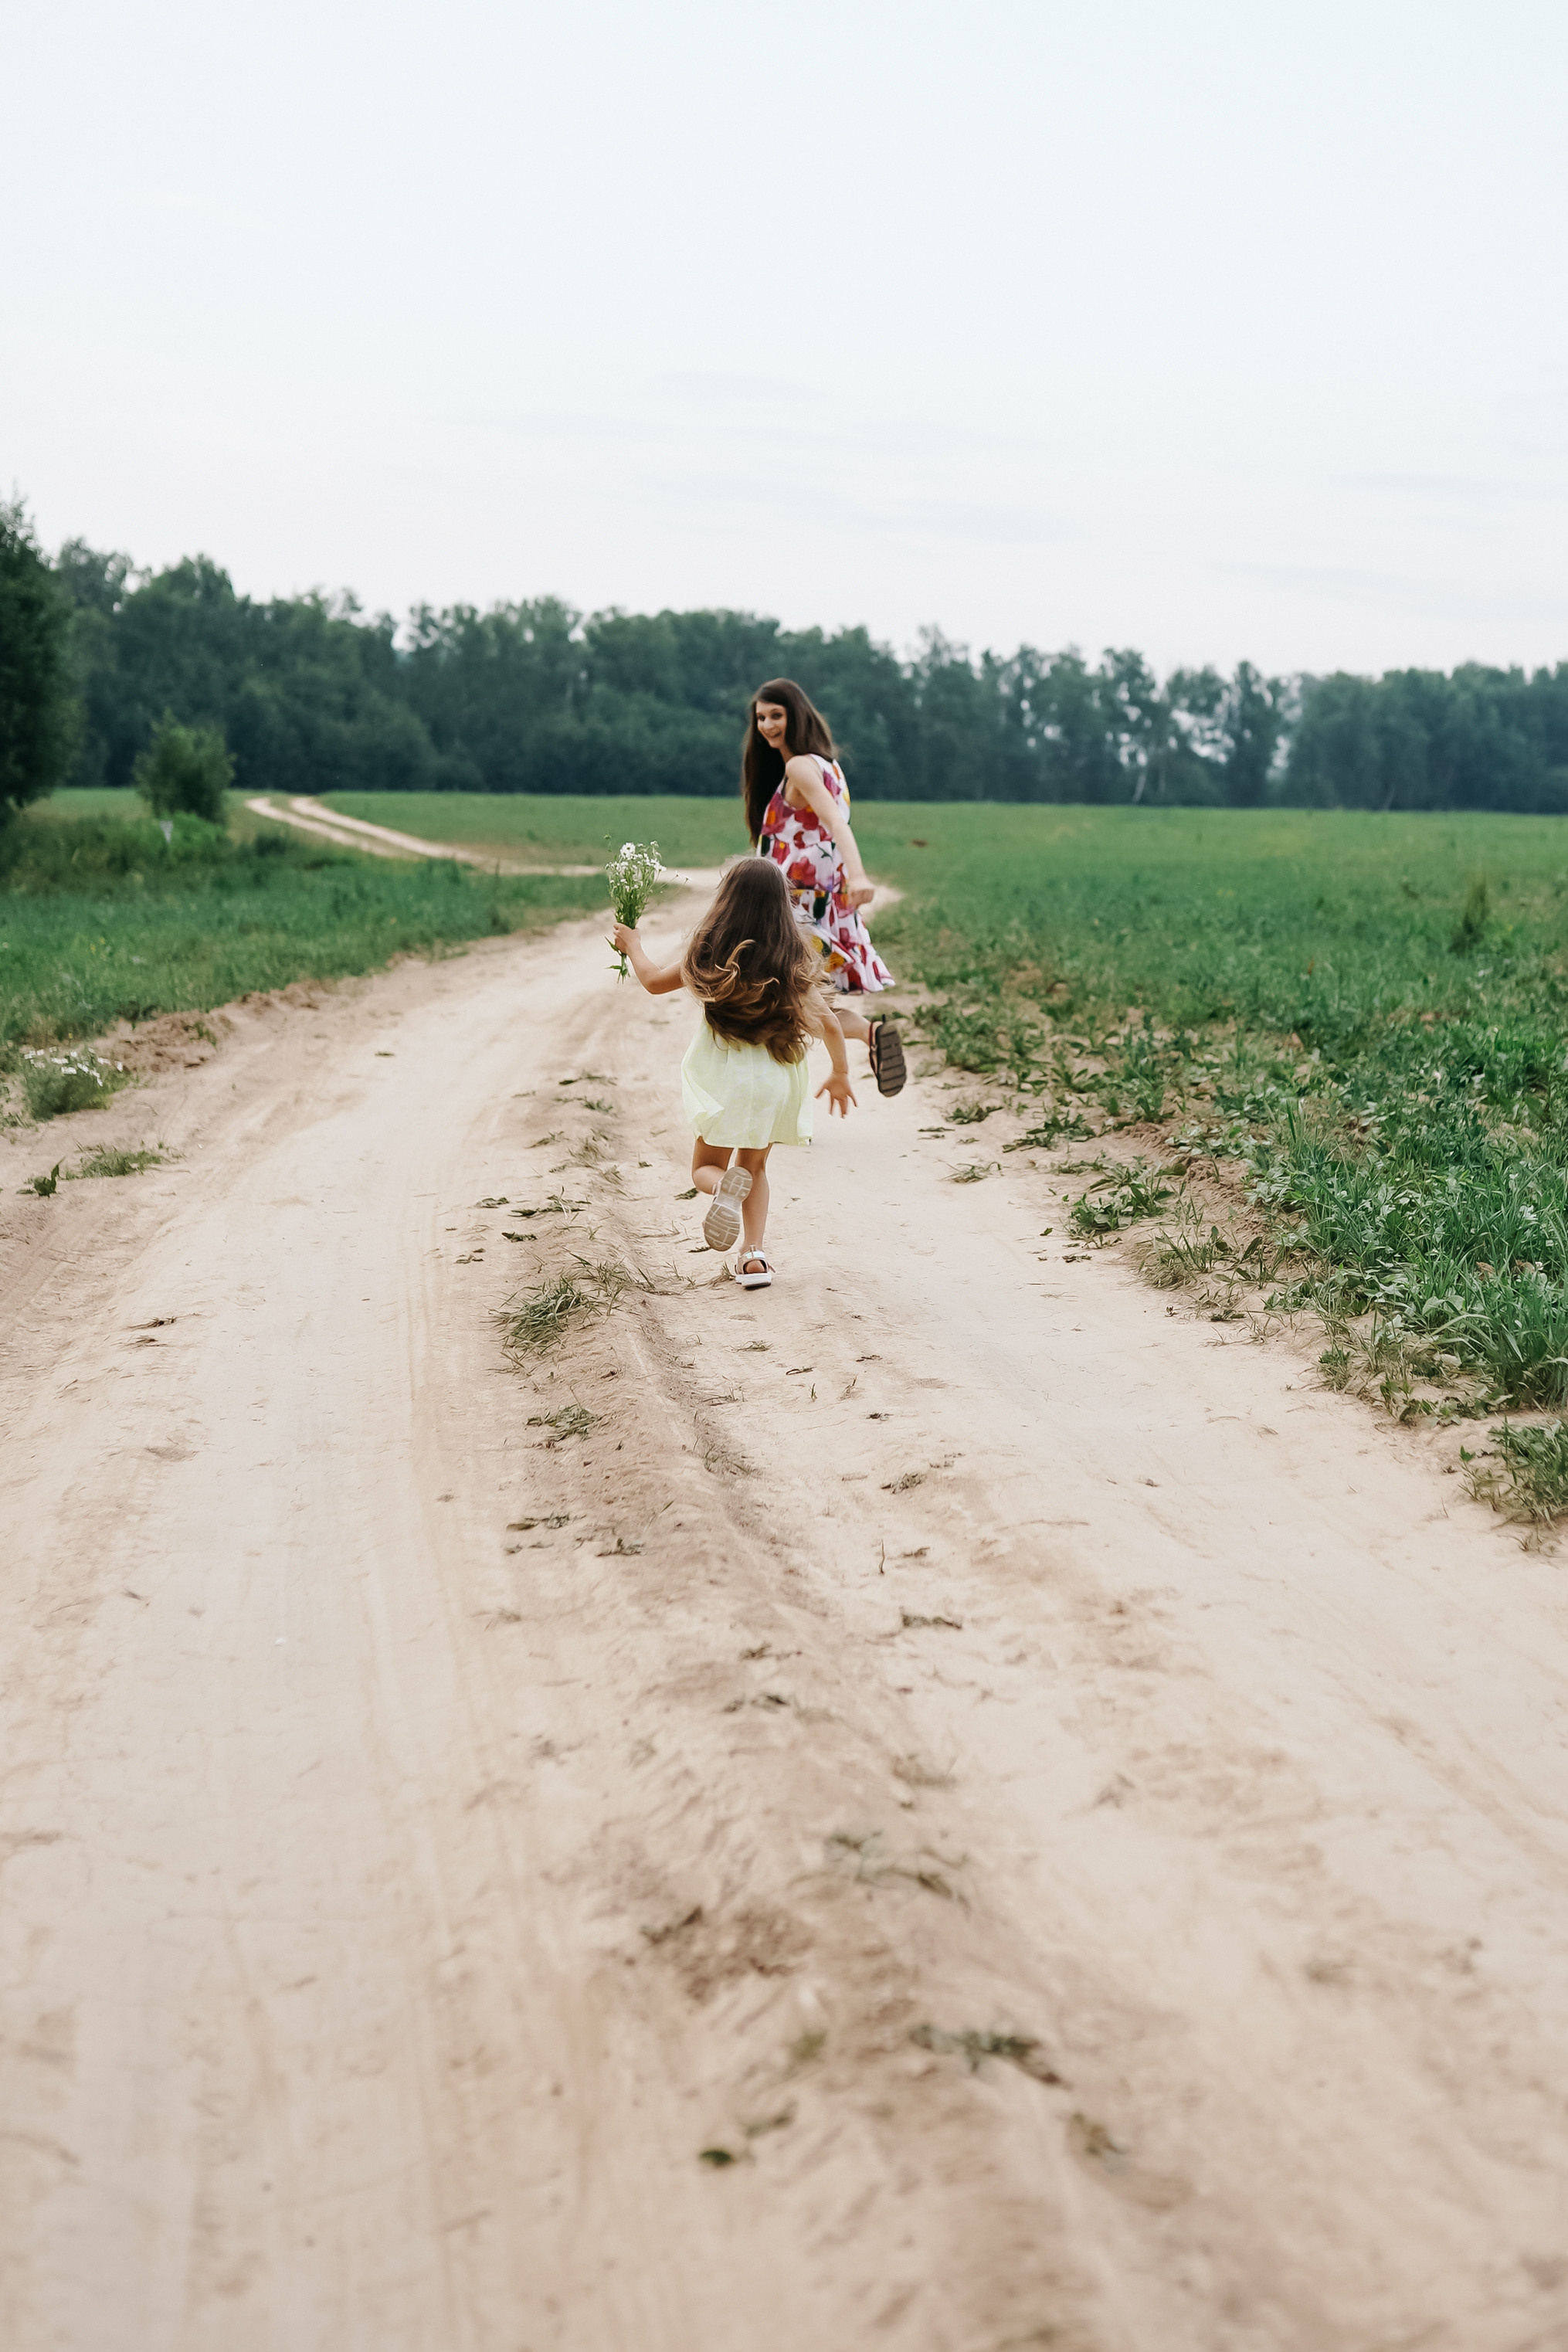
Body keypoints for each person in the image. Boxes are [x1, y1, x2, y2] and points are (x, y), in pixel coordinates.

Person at [611, 857, 856, 1291]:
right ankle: (754, 1257)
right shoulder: (790, 961)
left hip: (728, 1081)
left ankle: (724, 1187)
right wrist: (840, 1073)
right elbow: (833, 1025)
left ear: (726, 901)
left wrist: (632, 944)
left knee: (706, 1166)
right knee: (756, 1169)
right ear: (783, 907)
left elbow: (650, 981)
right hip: (774, 1083)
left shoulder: (709, 954)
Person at [742, 678, 907, 1097]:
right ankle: (866, 1039)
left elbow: (836, 823)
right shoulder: (829, 766)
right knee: (799, 1003)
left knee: (780, 1004)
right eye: (760, 717)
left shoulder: (799, 767)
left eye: (775, 715)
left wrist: (860, 875)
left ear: (795, 715)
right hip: (818, 903)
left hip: (795, 907)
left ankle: (855, 1047)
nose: (766, 725)